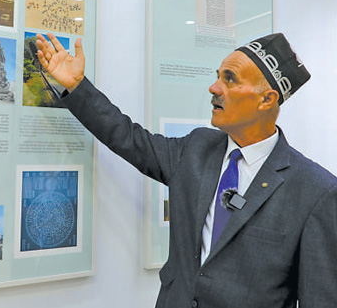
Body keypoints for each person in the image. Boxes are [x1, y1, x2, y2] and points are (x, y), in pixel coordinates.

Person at [36, 31, 337, 308]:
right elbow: (128, 137)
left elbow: (320, 297)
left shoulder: (315, 191)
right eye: (217, 76)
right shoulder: (196, 149)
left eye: (230, 79)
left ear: (266, 99)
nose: (214, 87)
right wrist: (76, 85)